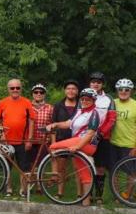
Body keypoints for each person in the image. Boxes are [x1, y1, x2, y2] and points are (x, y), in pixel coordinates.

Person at [47, 88, 100, 206]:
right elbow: (67, 123)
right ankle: (86, 203)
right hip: (79, 143)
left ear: (94, 100)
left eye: (88, 99)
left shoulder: (94, 113)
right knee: (85, 174)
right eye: (83, 99)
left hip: (85, 143)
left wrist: (77, 146)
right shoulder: (80, 111)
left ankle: (55, 176)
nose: (85, 101)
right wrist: (55, 124)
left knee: (54, 146)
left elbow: (90, 134)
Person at [0, 78, 35, 196]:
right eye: (12, 88)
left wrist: (30, 139)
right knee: (7, 166)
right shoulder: (2, 102)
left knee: (24, 167)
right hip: (6, 141)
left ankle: (23, 190)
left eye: (18, 87)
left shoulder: (27, 102)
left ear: (21, 89)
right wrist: (1, 134)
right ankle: (8, 189)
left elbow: (31, 121)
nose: (15, 90)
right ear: (8, 89)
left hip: (22, 141)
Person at [88, 72, 116, 203]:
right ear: (90, 83)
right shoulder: (84, 96)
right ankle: (87, 194)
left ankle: (98, 196)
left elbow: (111, 120)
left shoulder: (109, 99)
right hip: (86, 137)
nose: (96, 84)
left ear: (102, 84)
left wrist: (100, 133)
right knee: (87, 165)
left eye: (98, 82)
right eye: (93, 82)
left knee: (100, 168)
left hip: (102, 138)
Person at [51, 79, 80, 197]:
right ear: (65, 91)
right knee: (61, 169)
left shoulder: (81, 105)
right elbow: (53, 124)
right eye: (68, 88)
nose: (71, 91)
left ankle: (80, 194)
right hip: (61, 140)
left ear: (77, 91)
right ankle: (60, 193)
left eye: (73, 89)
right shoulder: (58, 105)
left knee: (78, 168)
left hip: (77, 141)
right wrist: (53, 143)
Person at [110, 79, 136, 166]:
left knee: (131, 172)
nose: (123, 92)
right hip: (113, 143)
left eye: (127, 90)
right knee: (113, 170)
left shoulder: (135, 105)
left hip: (129, 145)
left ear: (131, 91)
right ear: (117, 91)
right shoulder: (112, 103)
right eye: (120, 89)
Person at [29, 84, 53, 166]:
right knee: (30, 165)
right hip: (30, 141)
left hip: (44, 141)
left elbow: (53, 124)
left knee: (41, 165)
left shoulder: (50, 108)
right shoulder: (28, 107)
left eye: (41, 92)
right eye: (36, 92)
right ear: (32, 94)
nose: (38, 94)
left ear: (44, 94)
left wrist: (51, 140)